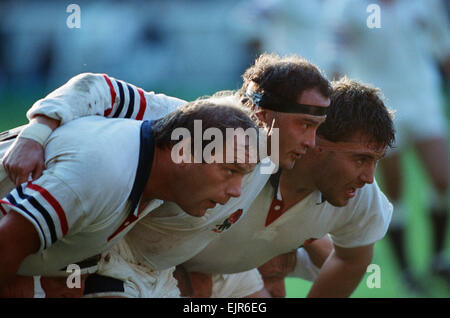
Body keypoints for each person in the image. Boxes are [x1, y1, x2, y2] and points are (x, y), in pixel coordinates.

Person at [1, 53, 332, 297]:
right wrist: (37, 133)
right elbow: (98, 87)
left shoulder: (270, 156)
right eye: (305, 125)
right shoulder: (191, 127)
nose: (311, 141)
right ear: (263, 115)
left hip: (122, 258)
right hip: (119, 262)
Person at [0, 96, 259, 296]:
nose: (237, 191)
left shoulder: (151, 168)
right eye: (230, 170)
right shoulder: (103, 173)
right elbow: (6, 245)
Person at [176, 78, 395, 298]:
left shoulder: (360, 193)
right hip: (156, 261)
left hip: (223, 273)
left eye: (376, 160)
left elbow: (351, 260)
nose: (368, 177)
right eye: (361, 159)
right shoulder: (240, 152)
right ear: (317, 140)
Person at [322, 0, 450, 292]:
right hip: (379, 106)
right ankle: (406, 270)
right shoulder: (347, 8)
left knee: (443, 178)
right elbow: (334, 58)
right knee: (393, 190)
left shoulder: (424, 4)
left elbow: (443, 48)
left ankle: (438, 258)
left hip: (423, 98)